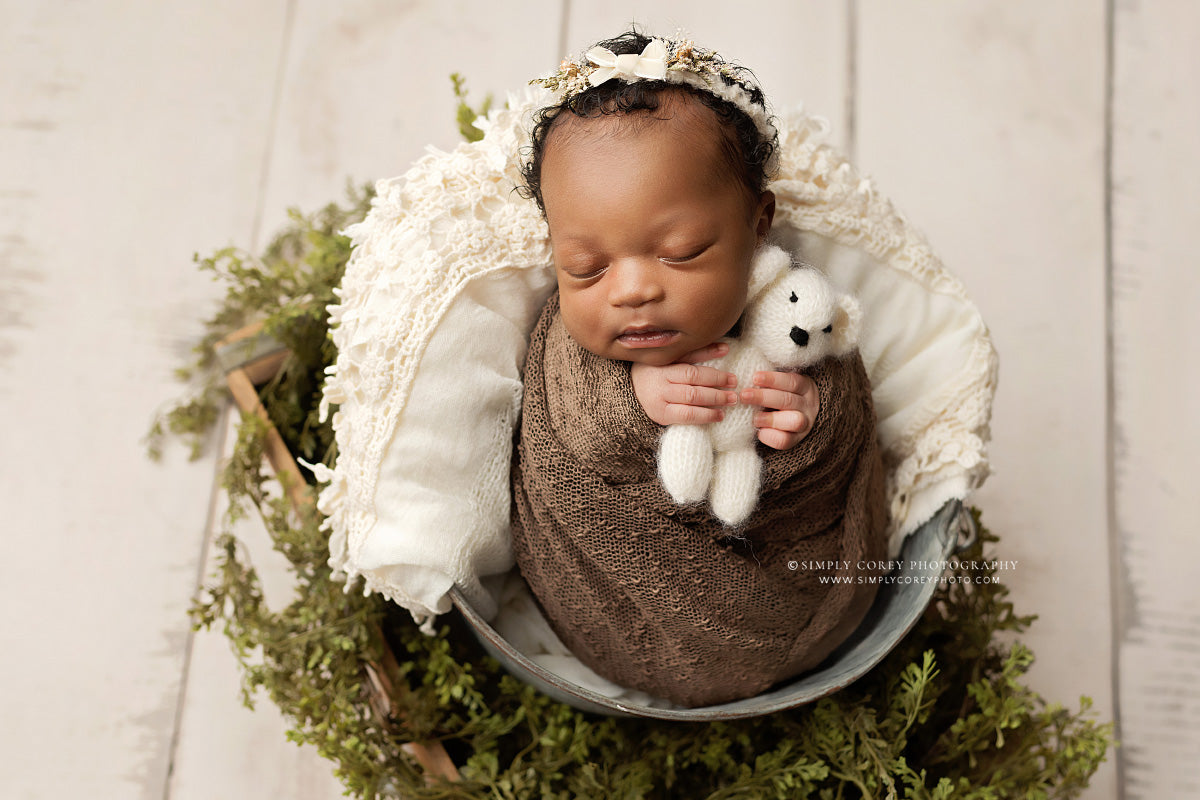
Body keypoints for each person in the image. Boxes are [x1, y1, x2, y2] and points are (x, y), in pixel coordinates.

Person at [509, 30, 888, 707]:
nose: (631, 290)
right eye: (586, 268)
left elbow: (847, 414)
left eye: (681, 251)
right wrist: (628, 403)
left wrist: (811, 421)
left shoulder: (794, 308)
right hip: (616, 609)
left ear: (758, 224)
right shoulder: (569, 346)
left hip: (796, 602)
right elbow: (558, 425)